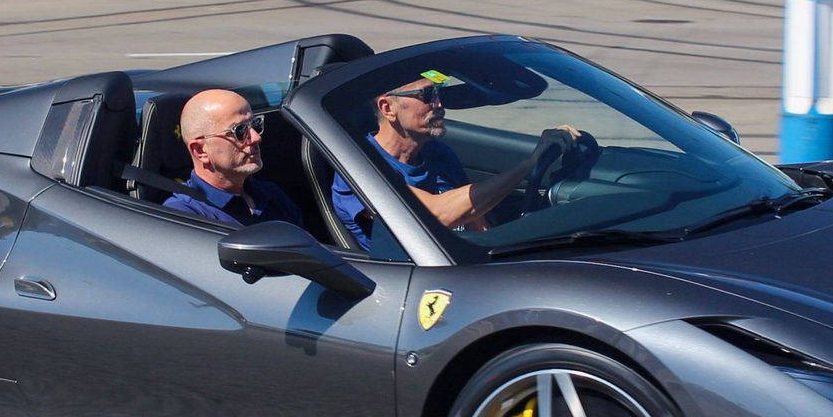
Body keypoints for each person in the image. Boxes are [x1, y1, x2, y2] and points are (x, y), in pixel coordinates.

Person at [330, 72, 593, 249]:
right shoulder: (357, 165)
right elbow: (436, 215)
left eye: (440, 94)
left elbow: (477, 226)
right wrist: (528, 165)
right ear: (388, 108)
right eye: (427, 95)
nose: (440, 104)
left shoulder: (439, 153)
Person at [159, 89, 305, 229]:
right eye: (240, 131)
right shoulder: (186, 215)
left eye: (256, 124)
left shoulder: (272, 195)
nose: (256, 138)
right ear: (201, 150)